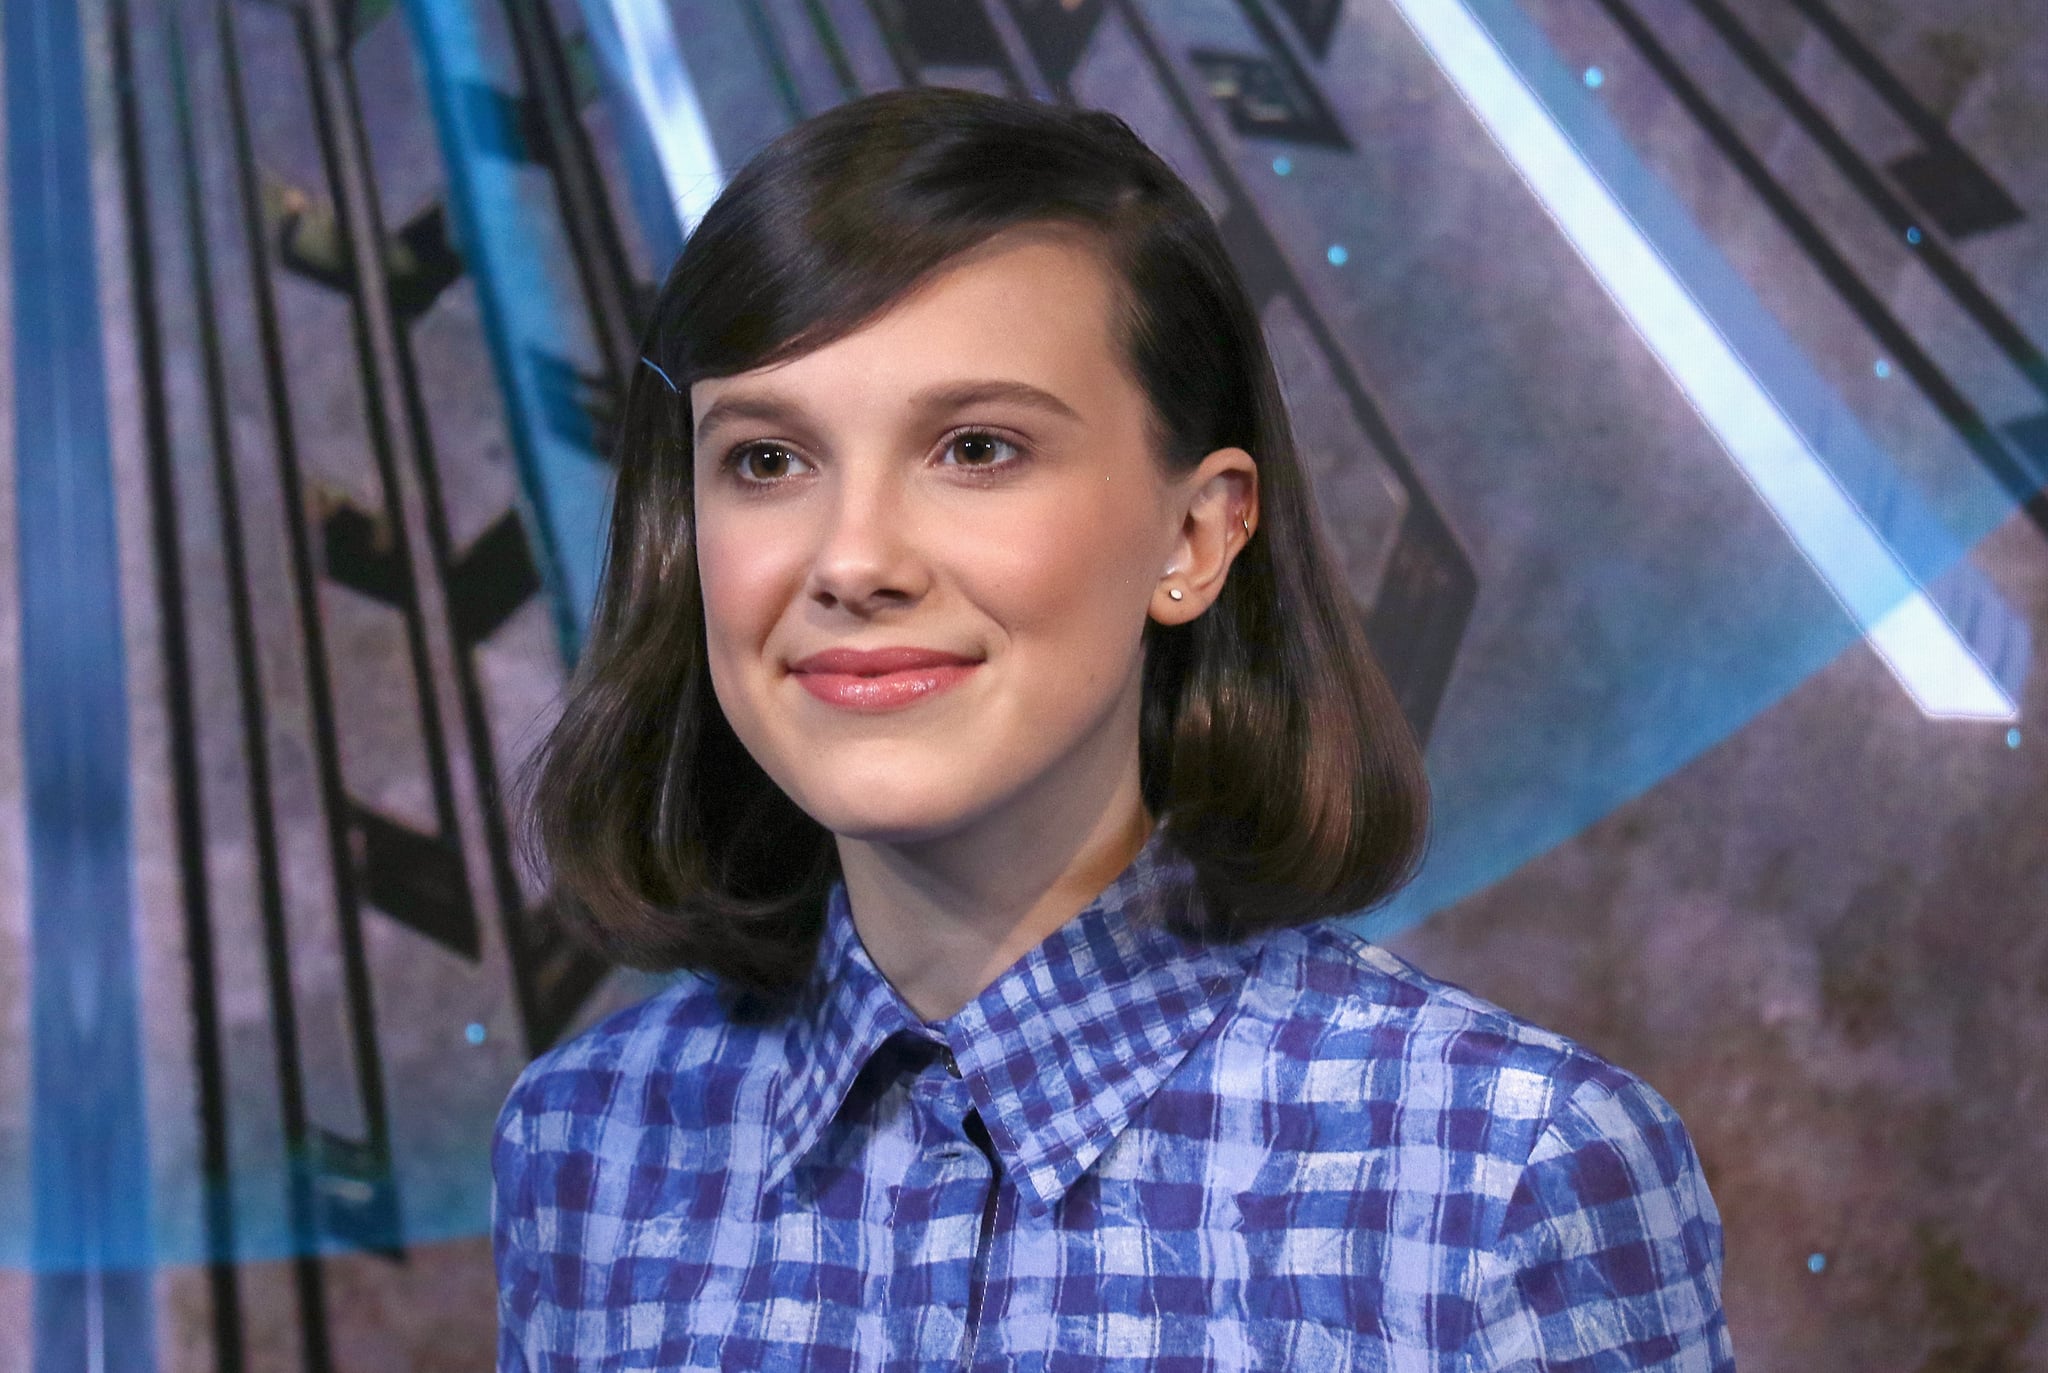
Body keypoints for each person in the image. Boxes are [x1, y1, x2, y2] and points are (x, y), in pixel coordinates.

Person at [495, 86, 1734, 1371]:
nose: (851, 558)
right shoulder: (587, 1145)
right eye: (765, 460)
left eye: (975, 447)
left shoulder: (1509, 1174)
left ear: (1195, 536)